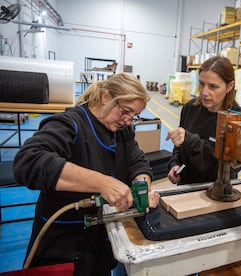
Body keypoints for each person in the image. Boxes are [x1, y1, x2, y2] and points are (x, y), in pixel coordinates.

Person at [13, 73, 160, 276]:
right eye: (125, 111)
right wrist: (102, 183)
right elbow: (29, 161)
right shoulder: (70, 123)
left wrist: (142, 185)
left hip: (100, 243)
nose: (128, 120)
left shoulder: (122, 130)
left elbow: (137, 162)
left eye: (133, 115)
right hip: (63, 245)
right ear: (106, 97)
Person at [166, 56, 241, 185]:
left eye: (213, 87)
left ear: (229, 86)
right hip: (186, 187)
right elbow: (179, 147)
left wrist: (192, 142)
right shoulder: (190, 108)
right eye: (202, 84)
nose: (204, 92)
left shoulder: (238, 121)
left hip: (216, 191)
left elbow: (227, 170)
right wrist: (175, 165)